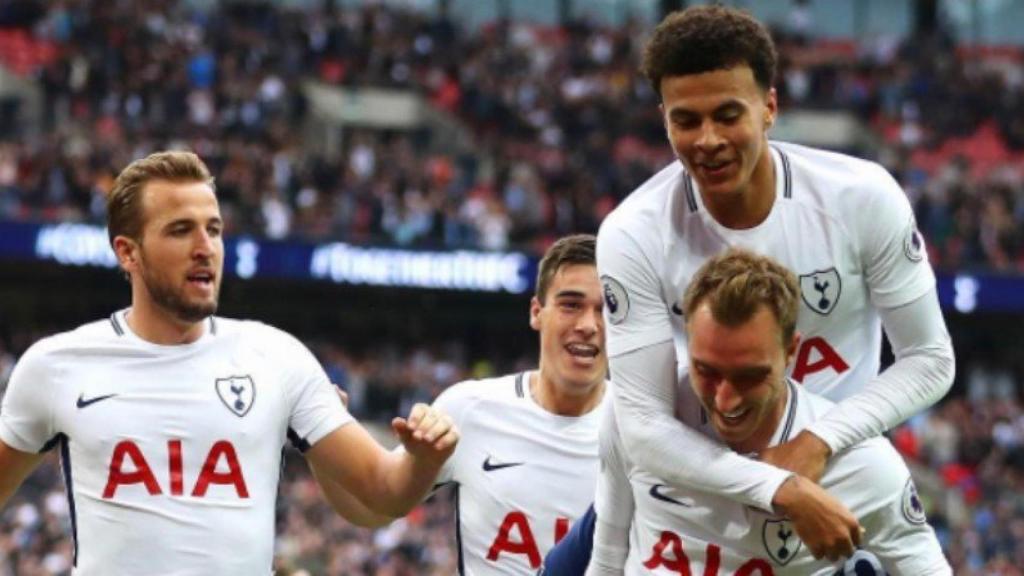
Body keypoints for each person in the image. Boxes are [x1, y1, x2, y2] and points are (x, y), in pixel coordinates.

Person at [596, 4, 954, 561]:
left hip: (838, 476)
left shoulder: (860, 199)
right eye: (685, 120)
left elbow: (930, 358)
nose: (708, 139)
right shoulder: (633, 233)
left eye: (727, 114)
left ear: (769, 107)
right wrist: (775, 484)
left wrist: (817, 444)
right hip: (700, 477)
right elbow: (641, 423)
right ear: (663, 117)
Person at [0, 151, 458, 575]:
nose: (206, 247)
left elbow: (381, 490)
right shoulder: (56, 366)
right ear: (128, 252)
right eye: (181, 230)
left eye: (214, 229)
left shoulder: (277, 358)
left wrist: (421, 459)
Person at [589, 249, 951, 575]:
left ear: (790, 351)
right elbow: (606, 560)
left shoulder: (865, 467)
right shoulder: (634, 419)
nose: (725, 400)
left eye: (750, 376)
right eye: (707, 371)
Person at [428, 234, 610, 575]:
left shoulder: (645, 424)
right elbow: (375, 504)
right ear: (536, 312)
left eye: (606, 309)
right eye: (571, 304)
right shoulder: (468, 409)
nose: (588, 325)